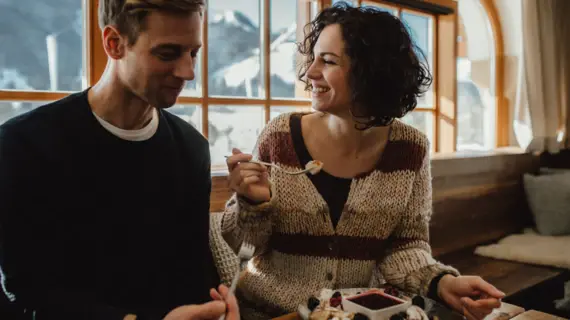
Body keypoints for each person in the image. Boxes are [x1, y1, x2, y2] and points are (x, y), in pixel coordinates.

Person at [221, 3, 504, 320]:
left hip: (354, 315)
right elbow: (239, 244)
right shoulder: (280, 137)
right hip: (269, 313)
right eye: (312, 58)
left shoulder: (410, 150)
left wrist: (444, 283)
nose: (309, 72)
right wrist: (251, 203)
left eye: (327, 61)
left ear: (371, 72)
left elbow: (405, 247)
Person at [0, 0, 239, 319]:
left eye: (193, 53)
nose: (188, 72)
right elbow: (25, 294)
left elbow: (191, 271)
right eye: (167, 54)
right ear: (114, 43)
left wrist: (215, 309)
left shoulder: (190, 149)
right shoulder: (23, 146)